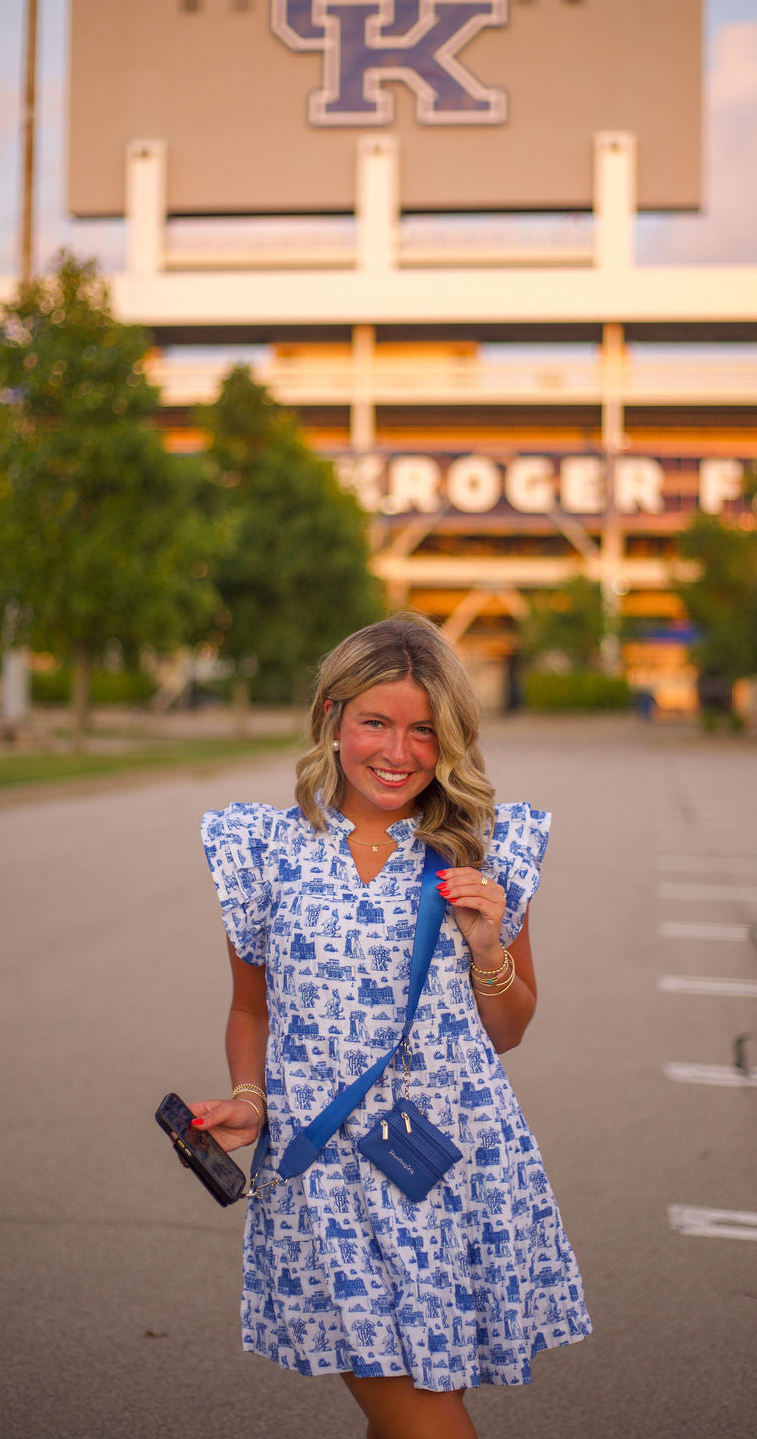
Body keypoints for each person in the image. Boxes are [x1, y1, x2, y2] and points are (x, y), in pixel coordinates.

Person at [192, 615, 591, 1438]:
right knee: (425, 1420)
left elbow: (508, 1030)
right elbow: (251, 1007)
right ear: (332, 716)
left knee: (409, 1412)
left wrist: (489, 946)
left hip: (452, 1165)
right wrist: (249, 1099)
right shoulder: (263, 849)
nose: (399, 753)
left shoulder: (484, 847)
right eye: (376, 722)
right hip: (323, 1172)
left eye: (424, 730)